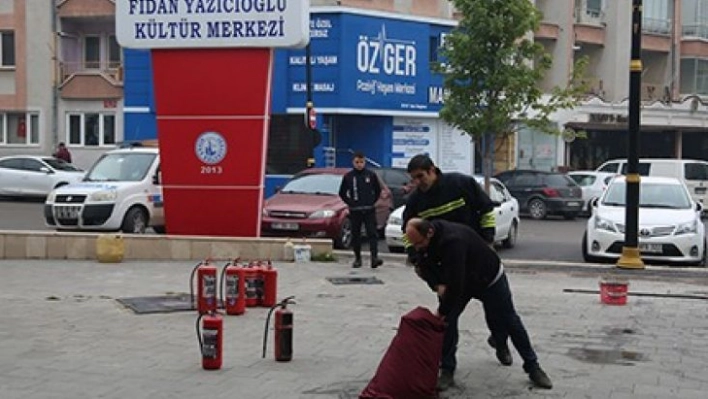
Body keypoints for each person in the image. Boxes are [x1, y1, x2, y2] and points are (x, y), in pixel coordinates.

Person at [405, 218, 553, 391]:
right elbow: (423, 266)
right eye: (413, 244)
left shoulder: (453, 242)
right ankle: (447, 370)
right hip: (463, 280)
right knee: (448, 322)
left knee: (509, 320)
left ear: (429, 232)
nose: (417, 248)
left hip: (489, 279)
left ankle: (532, 366)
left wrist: (441, 310)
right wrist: (436, 285)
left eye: (419, 243)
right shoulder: (425, 241)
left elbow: (456, 284)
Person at [401, 154, 507, 366]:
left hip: (477, 262)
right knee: (448, 317)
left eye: (421, 176)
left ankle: (500, 341)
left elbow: (486, 210)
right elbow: (408, 232)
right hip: (449, 268)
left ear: (433, 170)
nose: (418, 182)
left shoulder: (461, 183)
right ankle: (447, 366)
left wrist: (487, 241)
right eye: (413, 179)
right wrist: (415, 256)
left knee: (498, 311)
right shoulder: (415, 201)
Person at [338, 151, 384, 268]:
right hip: (355, 210)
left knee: (372, 234)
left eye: (361, 162)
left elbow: (378, 190)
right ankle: (358, 258)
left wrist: (372, 202)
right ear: (353, 162)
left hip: (369, 210)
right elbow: (342, 193)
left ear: (365, 162)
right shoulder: (349, 176)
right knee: (356, 234)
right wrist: (350, 202)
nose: (359, 164)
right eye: (357, 162)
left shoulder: (371, 175)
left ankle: (374, 258)